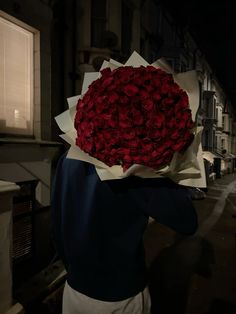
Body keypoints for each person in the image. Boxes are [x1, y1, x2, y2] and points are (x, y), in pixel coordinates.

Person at [51, 151, 198, 314]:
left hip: (75, 291)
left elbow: (57, 225)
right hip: (119, 296)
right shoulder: (131, 163)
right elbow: (186, 219)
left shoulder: (69, 157)